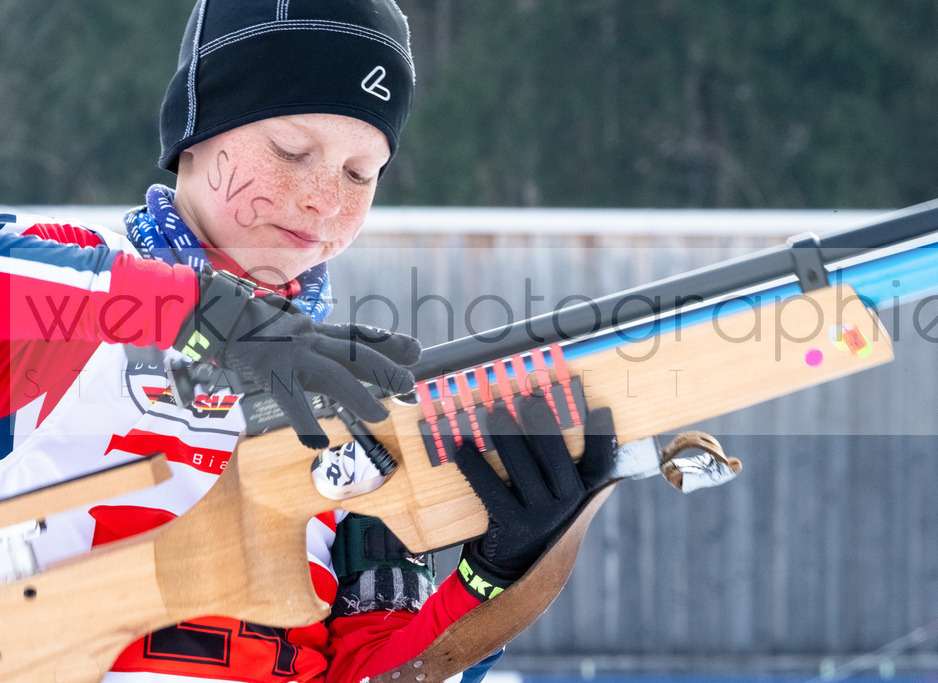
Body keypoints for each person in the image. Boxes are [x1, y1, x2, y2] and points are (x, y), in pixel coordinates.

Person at [1, 1, 616, 681]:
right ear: (196, 135)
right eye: (292, 150)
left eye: (361, 173)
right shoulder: (71, 289)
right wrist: (205, 317)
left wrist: (497, 578)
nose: (326, 197)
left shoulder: (353, 396)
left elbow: (376, 670)